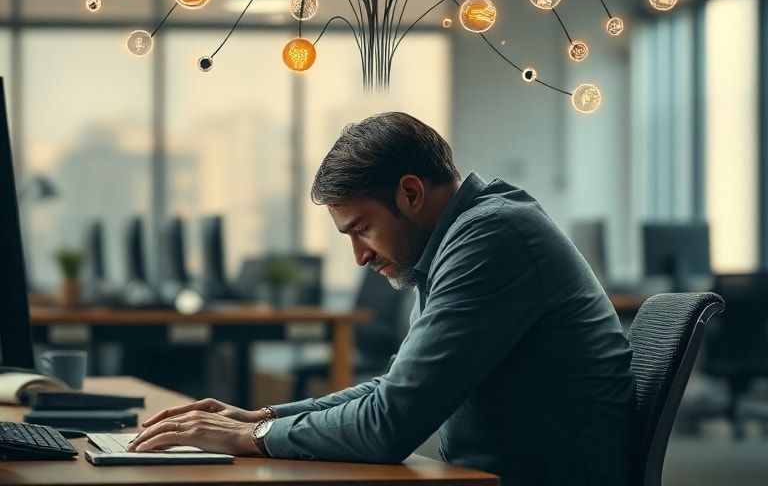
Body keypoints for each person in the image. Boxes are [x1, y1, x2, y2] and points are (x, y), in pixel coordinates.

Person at [128, 112, 638, 485]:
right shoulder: (462, 236)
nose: (360, 256)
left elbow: (389, 425)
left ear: (410, 194)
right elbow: (395, 389)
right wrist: (262, 418)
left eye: (363, 229)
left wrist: (250, 438)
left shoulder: (493, 238)